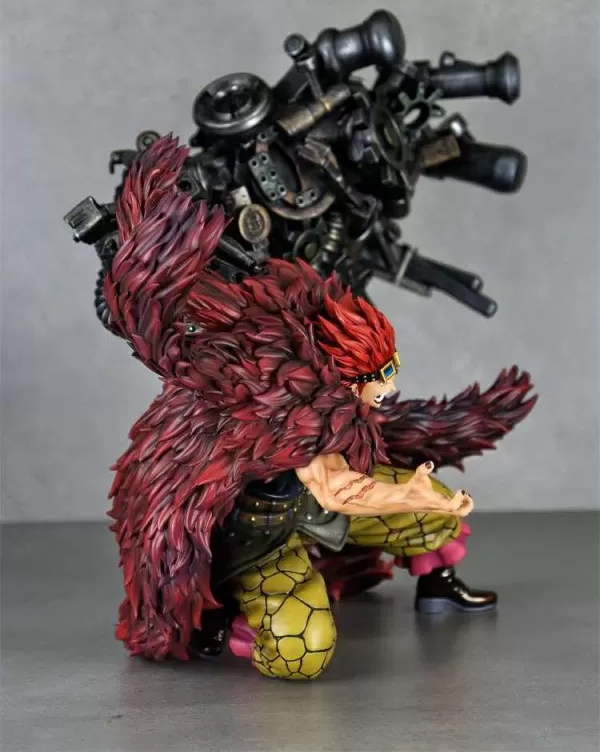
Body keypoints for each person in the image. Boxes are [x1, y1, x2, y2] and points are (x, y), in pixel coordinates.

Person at [105, 135, 536, 680]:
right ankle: (228, 620)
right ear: (346, 377)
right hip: (260, 537)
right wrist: (407, 491)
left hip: (313, 509)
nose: (386, 390)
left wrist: (420, 498)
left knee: (432, 514)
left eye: (389, 372)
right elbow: (338, 489)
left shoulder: (306, 336)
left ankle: (438, 585)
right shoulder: (301, 403)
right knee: (302, 648)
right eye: (377, 380)